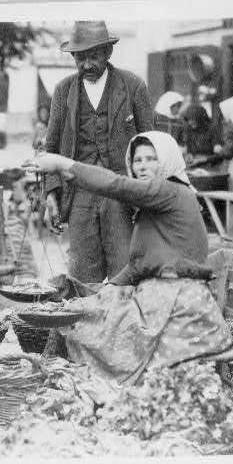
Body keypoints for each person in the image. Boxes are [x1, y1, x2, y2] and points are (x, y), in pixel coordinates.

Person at [25, 131, 232, 382]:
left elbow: (115, 185)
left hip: (179, 303)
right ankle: (76, 382)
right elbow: (138, 264)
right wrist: (105, 290)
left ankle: (97, 386)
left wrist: (61, 164)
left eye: (151, 159)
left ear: (167, 160)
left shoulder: (172, 191)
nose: (143, 166)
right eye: (138, 160)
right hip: (158, 294)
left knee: (94, 330)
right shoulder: (154, 204)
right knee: (81, 312)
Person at [43, 20, 154, 284]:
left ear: (108, 53)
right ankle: (86, 322)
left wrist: (147, 195)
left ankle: (123, 323)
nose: (86, 65)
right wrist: (51, 195)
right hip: (79, 193)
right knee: (81, 278)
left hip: (121, 192)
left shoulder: (133, 86)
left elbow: (151, 143)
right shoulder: (63, 90)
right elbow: (51, 147)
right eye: (79, 58)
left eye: (93, 56)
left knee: (125, 273)